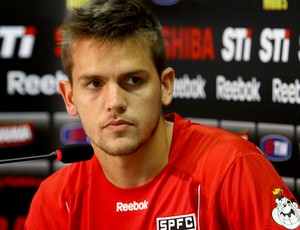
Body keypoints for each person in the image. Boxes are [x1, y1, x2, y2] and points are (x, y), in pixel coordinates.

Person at [25, 0, 300, 229]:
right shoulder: (56, 200)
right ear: (70, 97)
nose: (115, 102)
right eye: (95, 84)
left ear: (165, 86)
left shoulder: (231, 168)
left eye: (133, 81)